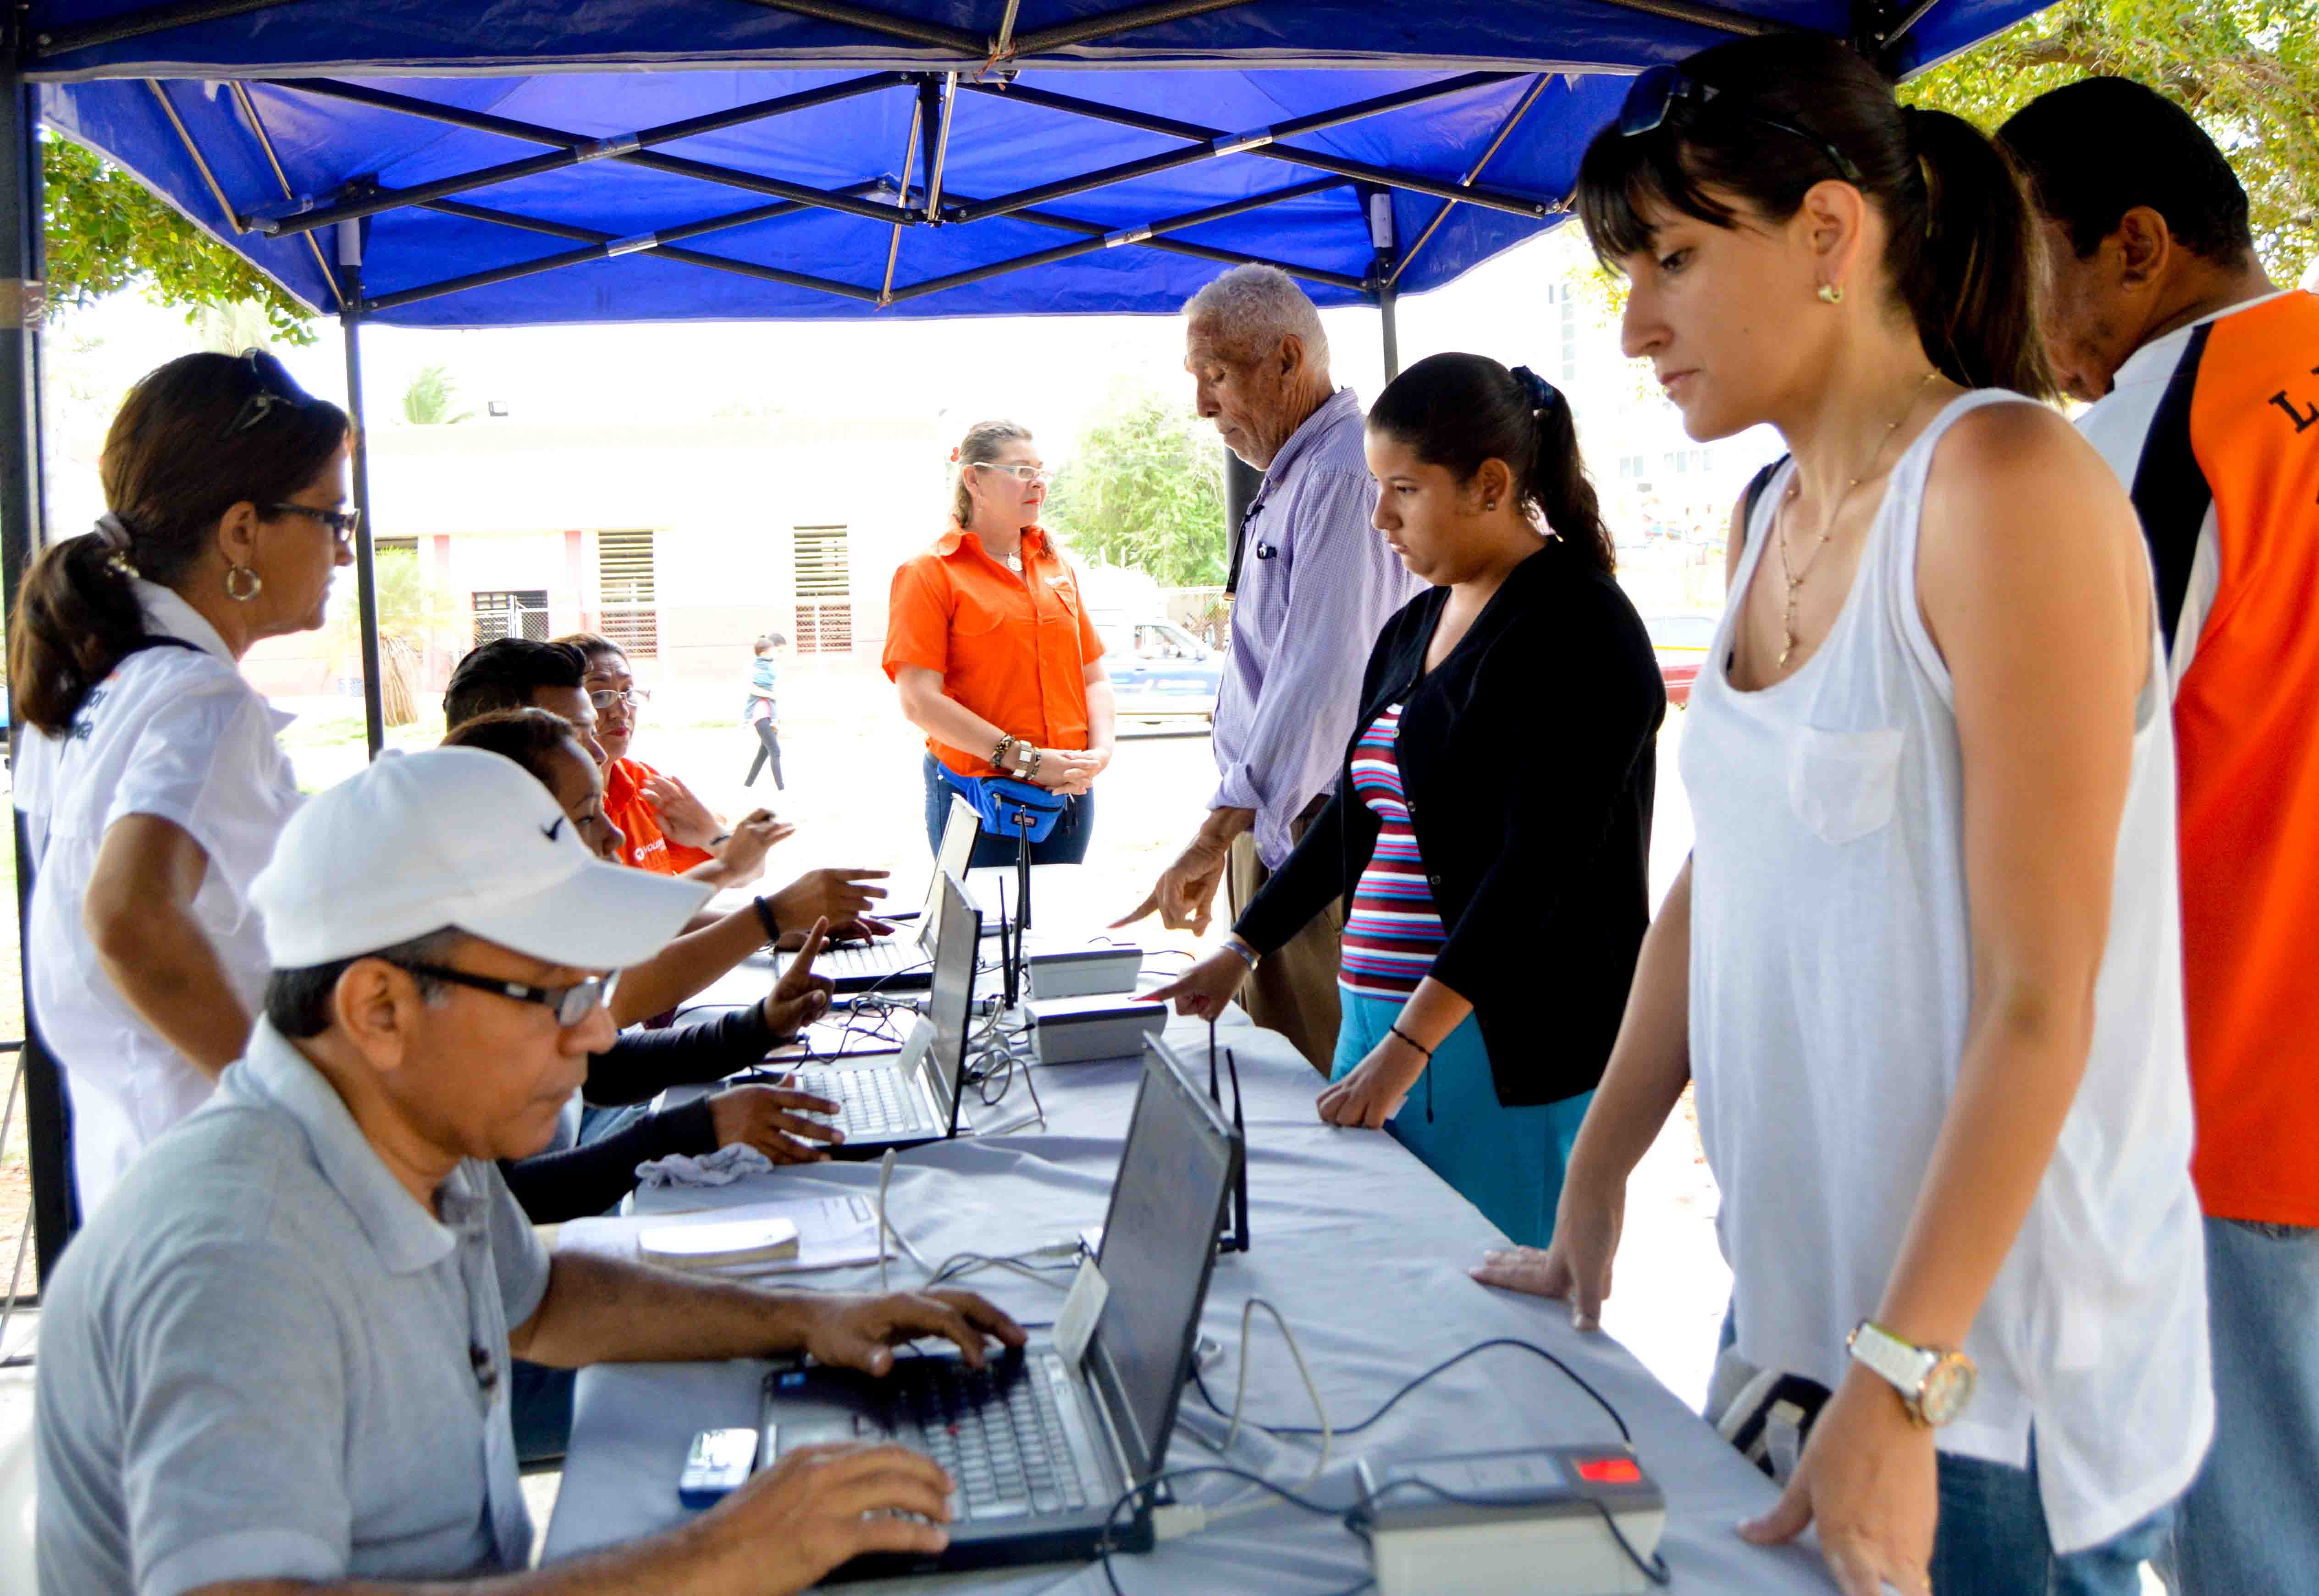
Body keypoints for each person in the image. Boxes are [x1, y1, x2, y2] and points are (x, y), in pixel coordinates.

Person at [1469, 38, 2209, 1596]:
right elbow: (1720, 881)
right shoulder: (1760, 518)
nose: (1634, 325)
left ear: (1826, 234)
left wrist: (1897, 1379)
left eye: (1671, 258)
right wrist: (1593, 1172)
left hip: (1980, 1377)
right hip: (1804, 1324)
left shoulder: (2002, 486)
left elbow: (2037, 998)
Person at [34, 746, 1023, 1596]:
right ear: (378, 1009)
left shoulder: (408, 1138)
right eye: (556, 994)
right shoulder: (238, 1258)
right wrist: (718, 1555)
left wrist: (809, 1319)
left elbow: (545, 1302)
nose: (598, 1030)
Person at [1999, 78, 2319, 1596]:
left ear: (2133, 247)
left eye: (2026, 260)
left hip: (2244, 1103)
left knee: (2251, 1542)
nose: (2020, 316)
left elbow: (2055, 778)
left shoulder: (2158, 421)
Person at [1148, 354, 1662, 1248]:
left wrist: (1413, 1046)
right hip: (1380, 1027)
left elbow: (1536, 865)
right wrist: (1244, 945)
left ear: (1490, 486)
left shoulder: (1579, 626)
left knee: (1493, 1310)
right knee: (1383, 1278)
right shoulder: (1415, 623)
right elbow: (1356, 814)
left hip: (1496, 1045)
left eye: (1403, 490)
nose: (1379, 516)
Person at [9, 349, 353, 1217]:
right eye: (331, 519)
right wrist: (298, 1117)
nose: (343, 553)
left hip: (142, 1178)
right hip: (220, 1191)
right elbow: (128, 918)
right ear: (242, 532)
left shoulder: (100, 685)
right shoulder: (201, 700)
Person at [1115, 265, 1424, 1071]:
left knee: (1311, 1085)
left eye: (1216, 377)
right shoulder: (1299, 477)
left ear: (1288, 360)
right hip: (1276, 822)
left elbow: (1320, 689)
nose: (1202, 406)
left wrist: (1217, 829)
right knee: (1272, 1068)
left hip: (1313, 830)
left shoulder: (1336, 479)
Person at [442, 638, 888, 1026]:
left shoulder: (638, 788)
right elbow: (616, 997)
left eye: (628, 692)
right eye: (581, 726)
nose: (601, 739)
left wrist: (771, 927)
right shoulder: (478, 894)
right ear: (496, 747)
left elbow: (636, 918)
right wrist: (764, 914)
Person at [883, 420, 1113, 867]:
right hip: (979, 800)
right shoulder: (930, 573)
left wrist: (1099, 755)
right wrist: (1029, 762)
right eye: (1022, 471)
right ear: (974, 479)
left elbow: (1094, 678)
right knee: (989, 934)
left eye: (1042, 471)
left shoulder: (1056, 567)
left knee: (1058, 931)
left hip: (1066, 797)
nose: (1040, 484)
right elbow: (919, 701)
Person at [745, 630, 788, 790]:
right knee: (775, 751)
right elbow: (751, 688)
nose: (780, 655)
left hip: (771, 715)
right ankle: (782, 789)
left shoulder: (773, 667)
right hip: (761, 715)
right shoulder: (755, 666)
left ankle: (747, 786)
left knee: (763, 753)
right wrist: (772, 694)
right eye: (780, 651)